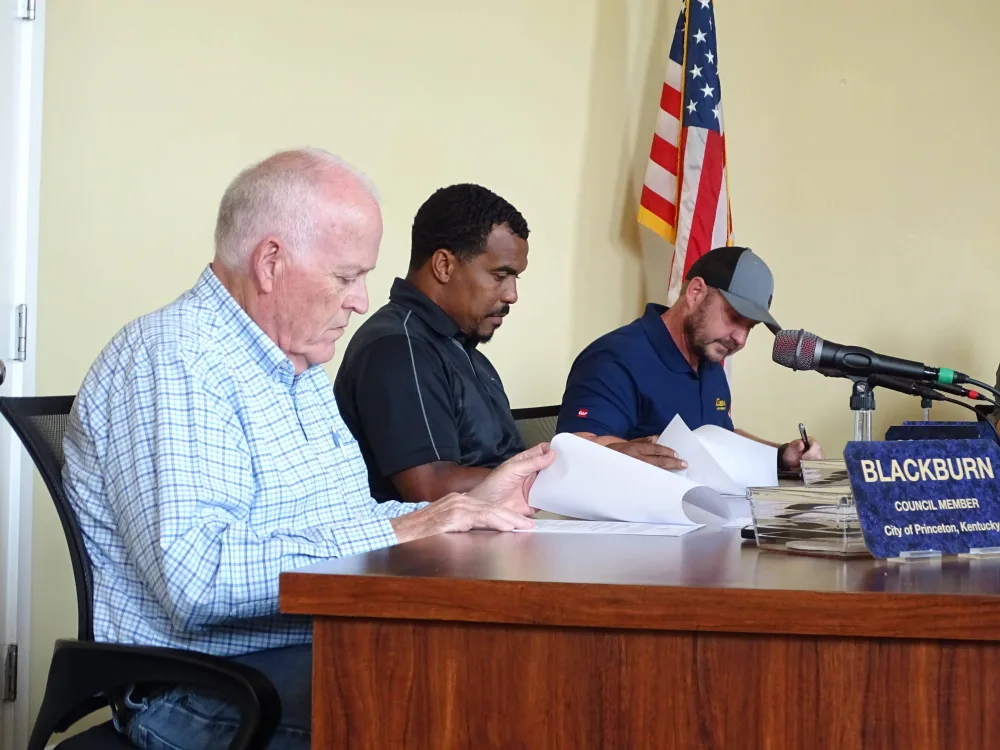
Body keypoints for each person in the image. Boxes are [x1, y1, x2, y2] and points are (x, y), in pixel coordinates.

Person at [62, 149, 554, 750]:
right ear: (271, 262)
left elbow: (350, 523)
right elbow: (198, 579)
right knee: (467, 713)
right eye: (346, 277)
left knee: (511, 677)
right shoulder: (176, 358)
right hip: (202, 690)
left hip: (306, 649)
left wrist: (471, 507)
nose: (361, 300)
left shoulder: (296, 369)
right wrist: (406, 529)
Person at [334, 184, 529, 503]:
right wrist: (543, 477)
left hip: (500, 529)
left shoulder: (464, 351)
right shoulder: (399, 348)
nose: (512, 295)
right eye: (499, 276)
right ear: (444, 266)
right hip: (427, 538)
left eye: (515, 278)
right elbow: (430, 490)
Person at [556, 246, 823, 471]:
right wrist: (631, 455)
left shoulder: (708, 360)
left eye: (750, 327)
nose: (741, 339)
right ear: (696, 292)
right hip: (636, 515)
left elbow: (720, 438)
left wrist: (781, 455)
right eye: (734, 317)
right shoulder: (614, 358)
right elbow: (574, 448)